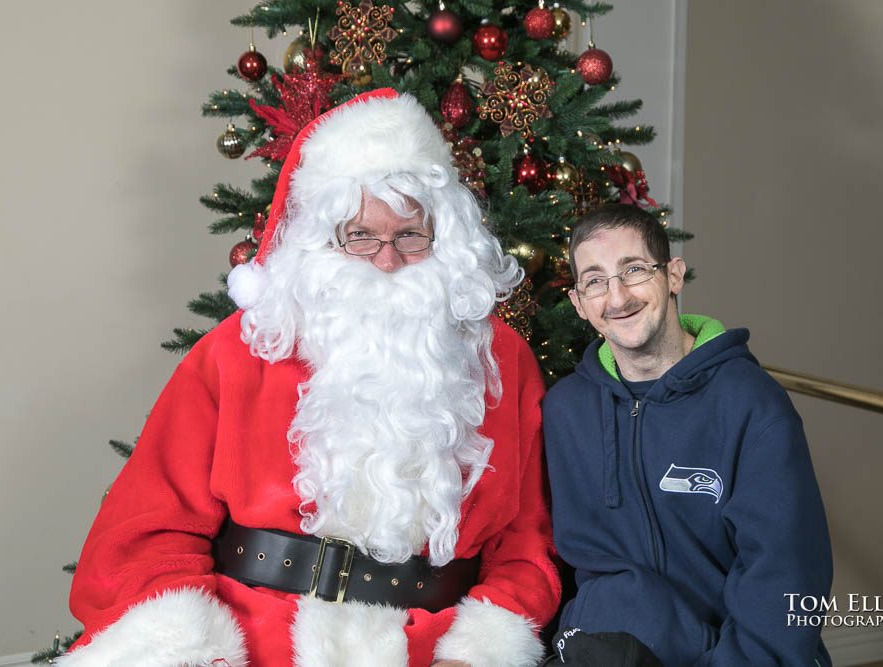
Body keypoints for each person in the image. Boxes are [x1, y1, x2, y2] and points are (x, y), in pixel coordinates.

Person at [58, 89, 560, 667]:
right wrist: (193, 651)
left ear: (444, 239)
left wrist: (478, 652)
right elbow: (148, 530)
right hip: (251, 641)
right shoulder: (239, 350)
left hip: (431, 649)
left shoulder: (501, 361)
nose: (387, 260)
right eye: (362, 236)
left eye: (409, 237)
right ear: (324, 240)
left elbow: (528, 542)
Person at [542, 204, 833, 666]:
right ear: (579, 302)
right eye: (595, 280)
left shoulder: (751, 404)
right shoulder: (564, 411)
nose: (616, 298)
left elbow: (787, 577)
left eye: (634, 270)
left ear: (673, 276)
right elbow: (575, 568)